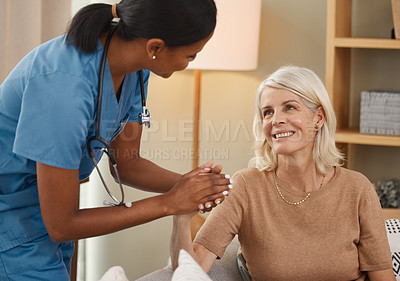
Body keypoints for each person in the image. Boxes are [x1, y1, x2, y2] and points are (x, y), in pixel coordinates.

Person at [0, 1, 231, 280]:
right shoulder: (63, 88)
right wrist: (170, 202)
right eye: (191, 55)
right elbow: (61, 225)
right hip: (11, 224)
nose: (188, 63)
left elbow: (127, 163)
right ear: (155, 47)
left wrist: (191, 185)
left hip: (44, 219)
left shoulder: (136, 68)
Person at [170, 65, 396, 281]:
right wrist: (181, 217)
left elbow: (383, 277)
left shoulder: (357, 189)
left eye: (290, 107)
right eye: (268, 112)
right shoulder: (246, 186)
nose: (276, 120)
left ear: (318, 118)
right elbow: (192, 269)